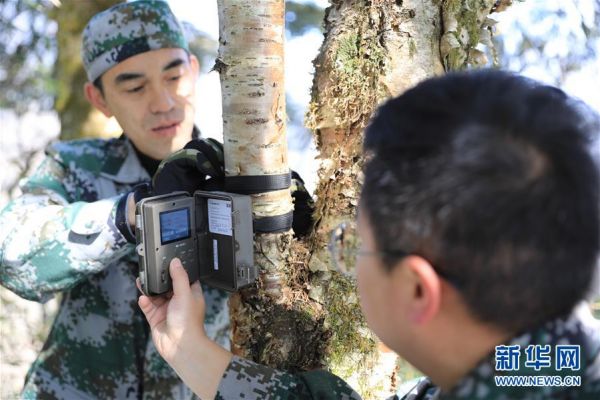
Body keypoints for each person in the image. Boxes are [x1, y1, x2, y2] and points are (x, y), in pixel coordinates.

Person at [139, 70, 600, 399]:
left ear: (419, 289)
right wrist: (190, 350)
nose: (348, 258)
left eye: (353, 246)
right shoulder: (553, 362)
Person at [0, 1, 312, 398]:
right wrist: (130, 213)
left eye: (174, 75)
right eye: (134, 87)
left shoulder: (239, 176)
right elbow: (12, 255)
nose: (163, 102)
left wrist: (295, 228)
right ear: (99, 100)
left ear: (194, 72)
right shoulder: (77, 167)